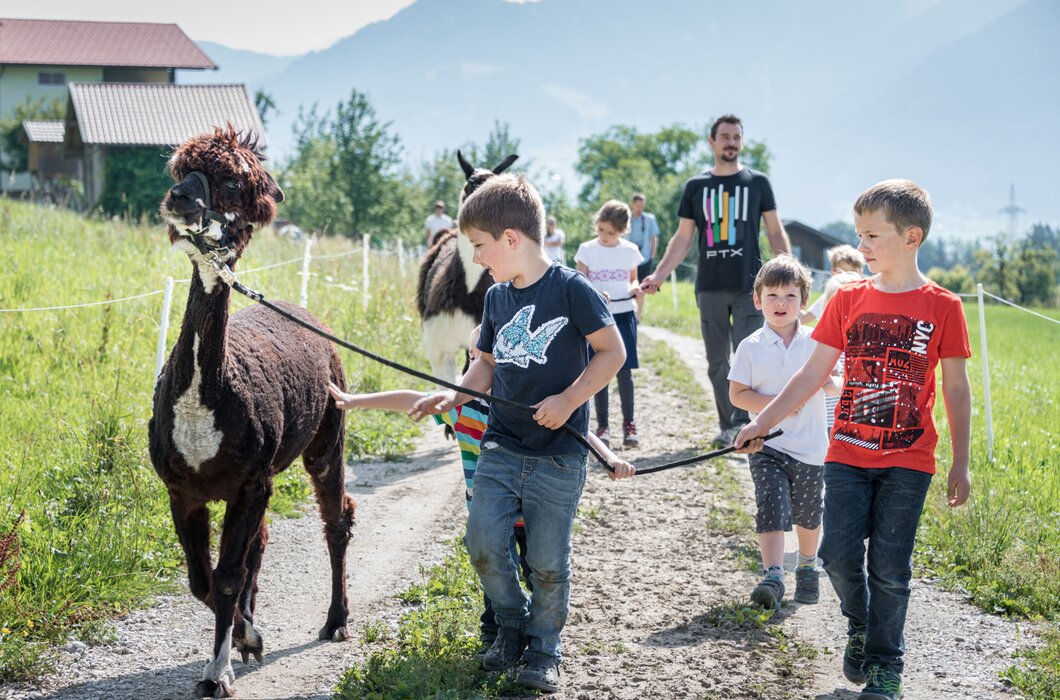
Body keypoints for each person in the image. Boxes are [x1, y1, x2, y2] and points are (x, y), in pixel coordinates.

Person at [735, 179, 972, 700]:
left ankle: (887, 666)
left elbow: (956, 387)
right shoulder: (849, 299)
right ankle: (860, 624)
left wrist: (962, 462)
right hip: (844, 452)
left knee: (890, 566)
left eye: (872, 236)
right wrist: (760, 422)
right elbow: (810, 376)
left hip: (910, 459)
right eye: (858, 235)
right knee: (838, 554)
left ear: (912, 237)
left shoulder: (944, 307)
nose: (860, 247)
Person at [411, 173, 628, 694]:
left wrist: (569, 400)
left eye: (481, 247)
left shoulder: (572, 290)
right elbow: (483, 366)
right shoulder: (496, 299)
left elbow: (613, 353)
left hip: (558, 455)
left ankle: (545, 648)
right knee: (484, 543)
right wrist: (454, 395)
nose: (478, 258)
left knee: (548, 562)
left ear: (512, 238)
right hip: (501, 447)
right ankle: (511, 624)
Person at [326, 327, 634, 659]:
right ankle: (498, 631)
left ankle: (541, 637)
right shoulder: (461, 409)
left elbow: (580, 428)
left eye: (490, 357)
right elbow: (413, 398)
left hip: (533, 513)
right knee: (493, 574)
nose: (480, 363)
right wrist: (355, 400)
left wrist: (611, 458)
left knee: (540, 573)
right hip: (490, 513)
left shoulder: (531, 406)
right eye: (474, 357)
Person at [641, 114, 791, 449]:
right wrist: (659, 274)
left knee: (750, 357)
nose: (731, 143)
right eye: (724, 137)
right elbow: (682, 238)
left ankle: (753, 424)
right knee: (717, 361)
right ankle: (729, 425)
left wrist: (789, 268)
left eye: (736, 137)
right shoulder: (696, 187)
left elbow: (774, 229)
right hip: (709, 287)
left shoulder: (758, 183)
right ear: (712, 142)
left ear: (742, 141)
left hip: (749, 286)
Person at [727, 255, 838, 611]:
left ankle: (807, 564)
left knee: (808, 513)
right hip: (766, 447)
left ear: (804, 302)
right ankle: (773, 574)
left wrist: (831, 384)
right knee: (770, 506)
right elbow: (738, 394)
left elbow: (835, 381)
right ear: (757, 300)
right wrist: (776, 404)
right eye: (772, 295)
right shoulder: (750, 346)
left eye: (790, 296)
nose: (781, 303)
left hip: (810, 447)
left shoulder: (816, 343)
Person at [575, 200, 644, 448]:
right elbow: (579, 282)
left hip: (624, 313)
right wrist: (594, 295)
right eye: (601, 229)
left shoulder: (629, 250)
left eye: (611, 232)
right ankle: (602, 426)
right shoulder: (586, 249)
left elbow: (632, 279)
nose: (604, 236)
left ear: (622, 231)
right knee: (599, 371)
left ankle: (629, 424)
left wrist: (635, 288)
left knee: (625, 374)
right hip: (597, 319)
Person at [800, 244, 866, 324]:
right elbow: (804, 318)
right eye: (842, 272)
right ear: (833, 272)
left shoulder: (865, 298)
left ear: (861, 273)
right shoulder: (829, 296)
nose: (847, 277)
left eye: (853, 272)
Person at [627, 193, 661, 319]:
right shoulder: (626, 218)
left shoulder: (649, 219)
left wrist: (652, 256)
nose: (640, 208)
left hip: (644, 259)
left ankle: (637, 318)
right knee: (628, 288)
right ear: (632, 205)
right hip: (628, 260)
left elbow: (653, 238)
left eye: (642, 205)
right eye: (637, 206)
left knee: (641, 289)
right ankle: (629, 314)